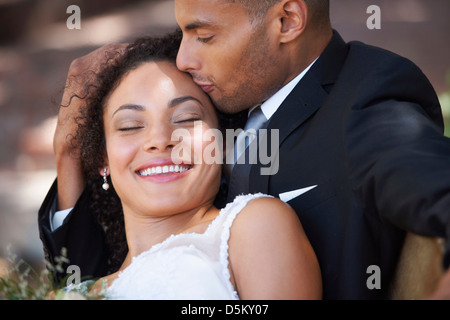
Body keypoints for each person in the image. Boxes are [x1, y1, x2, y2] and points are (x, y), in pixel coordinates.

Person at [39, 0, 450, 299]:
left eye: (204, 36)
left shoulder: (364, 99)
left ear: (287, 21)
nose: (183, 58)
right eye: (183, 33)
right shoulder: (223, 99)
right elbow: (119, 264)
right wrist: (71, 156)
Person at [54, 33, 321, 300]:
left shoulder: (254, 226)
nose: (160, 141)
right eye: (130, 126)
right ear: (103, 159)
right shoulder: (73, 294)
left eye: (186, 119)